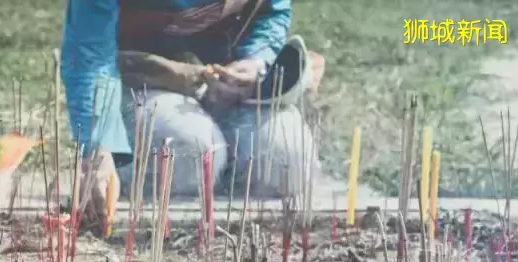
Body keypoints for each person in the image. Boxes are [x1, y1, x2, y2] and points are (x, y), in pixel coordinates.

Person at [61, 0, 323, 223]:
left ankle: (223, 193)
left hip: (230, 83)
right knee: (189, 153)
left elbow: (272, 11)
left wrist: (256, 60)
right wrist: (99, 146)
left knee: (288, 161)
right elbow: (91, 53)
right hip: (142, 81)